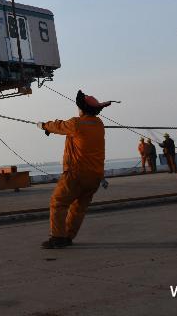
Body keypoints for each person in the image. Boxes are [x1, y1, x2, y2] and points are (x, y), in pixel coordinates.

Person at [36, 90, 116, 249]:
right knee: (78, 208)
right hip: (95, 176)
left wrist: (44, 125)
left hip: (76, 174)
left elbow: (59, 126)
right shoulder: (99, 124)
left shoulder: (76, 124)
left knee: (58, 203)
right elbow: (66, 129)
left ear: (82, 109)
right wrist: (51, 128)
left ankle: (58, 237)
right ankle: (68, 237)